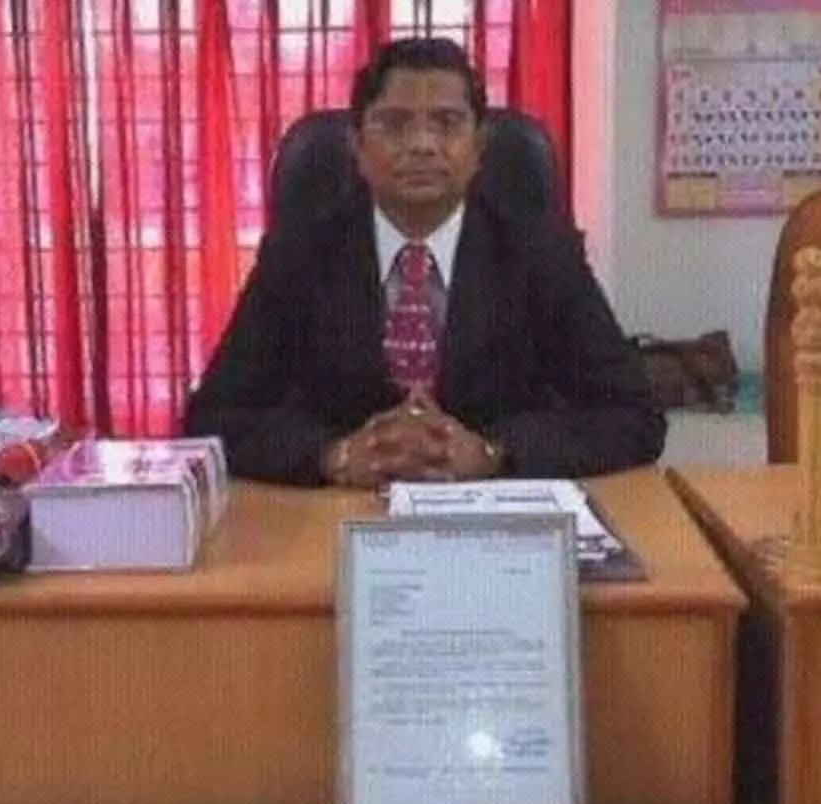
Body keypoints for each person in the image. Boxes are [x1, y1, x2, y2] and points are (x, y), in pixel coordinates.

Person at [185, 37, 664, 487]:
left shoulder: (541, 253)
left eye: (447, 123)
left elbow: (633, 416)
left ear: (479, 148)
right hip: (336, 511)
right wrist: (334, 455)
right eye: (394, 124)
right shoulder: (300, 253)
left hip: (494, 510)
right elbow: (214, 417)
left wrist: (494, 452)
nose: (422, 144)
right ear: (357, 147)